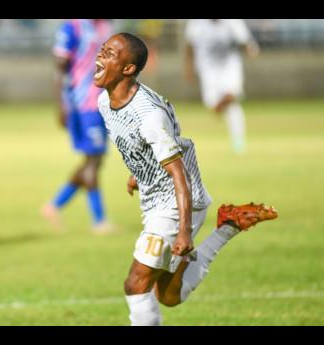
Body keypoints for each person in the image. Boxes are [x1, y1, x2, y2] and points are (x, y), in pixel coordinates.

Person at [94, 33, 277, 325]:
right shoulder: (106, 102)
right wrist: (137, 172)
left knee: (136, 283)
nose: (100, 57)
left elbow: (178, 172)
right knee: (168, 295)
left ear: (128, 69)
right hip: (156, 200)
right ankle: (229, 226)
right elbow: (147, 142)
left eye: (110, 54)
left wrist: (184, 232)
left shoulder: (149, 115)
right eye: (102, 50)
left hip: (176, 204)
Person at [42, 19, 114, 234]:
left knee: (96, 160)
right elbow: (59, 67)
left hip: (103, 102)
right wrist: (61, 104)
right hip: (83, 103)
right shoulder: (72, 27)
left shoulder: (105, 26)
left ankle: (54, 205)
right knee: (93, 160)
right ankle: (99, 220)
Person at [184, 19, 260, 154]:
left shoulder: (233, 22)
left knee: (232, 100)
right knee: (213, 106)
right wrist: (188, 69)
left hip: (229, 68)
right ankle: (227, 100)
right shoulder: (196, 23)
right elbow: (189, 47)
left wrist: (250, 49)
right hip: (208, 70)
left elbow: (246, 41)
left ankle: (238, 141)